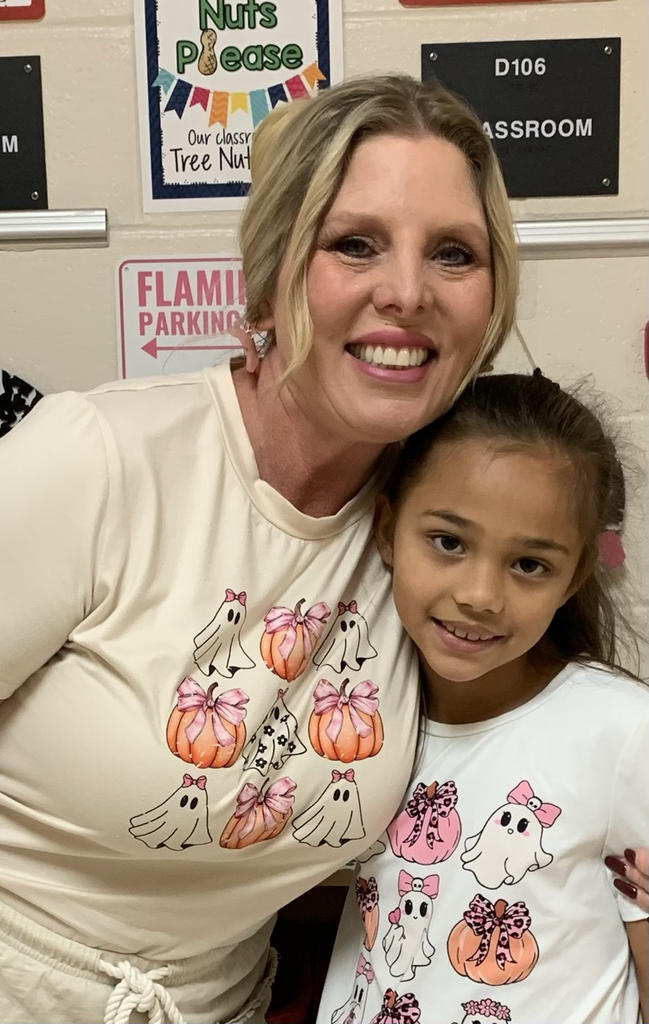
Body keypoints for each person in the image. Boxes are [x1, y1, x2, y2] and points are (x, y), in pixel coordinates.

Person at [0, 74, 518, 1024]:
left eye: (453, 253)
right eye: (353, 244)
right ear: (271, 274)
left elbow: (536, 741)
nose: (405, 292)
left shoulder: (442, 529)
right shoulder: (98, 459)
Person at [316, 371, 648, 1024]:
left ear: (574, 573)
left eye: (528, 564)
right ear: (386, 530)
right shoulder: (354, 715)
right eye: (448, 542)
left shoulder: (621, 732)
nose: (479, 594)